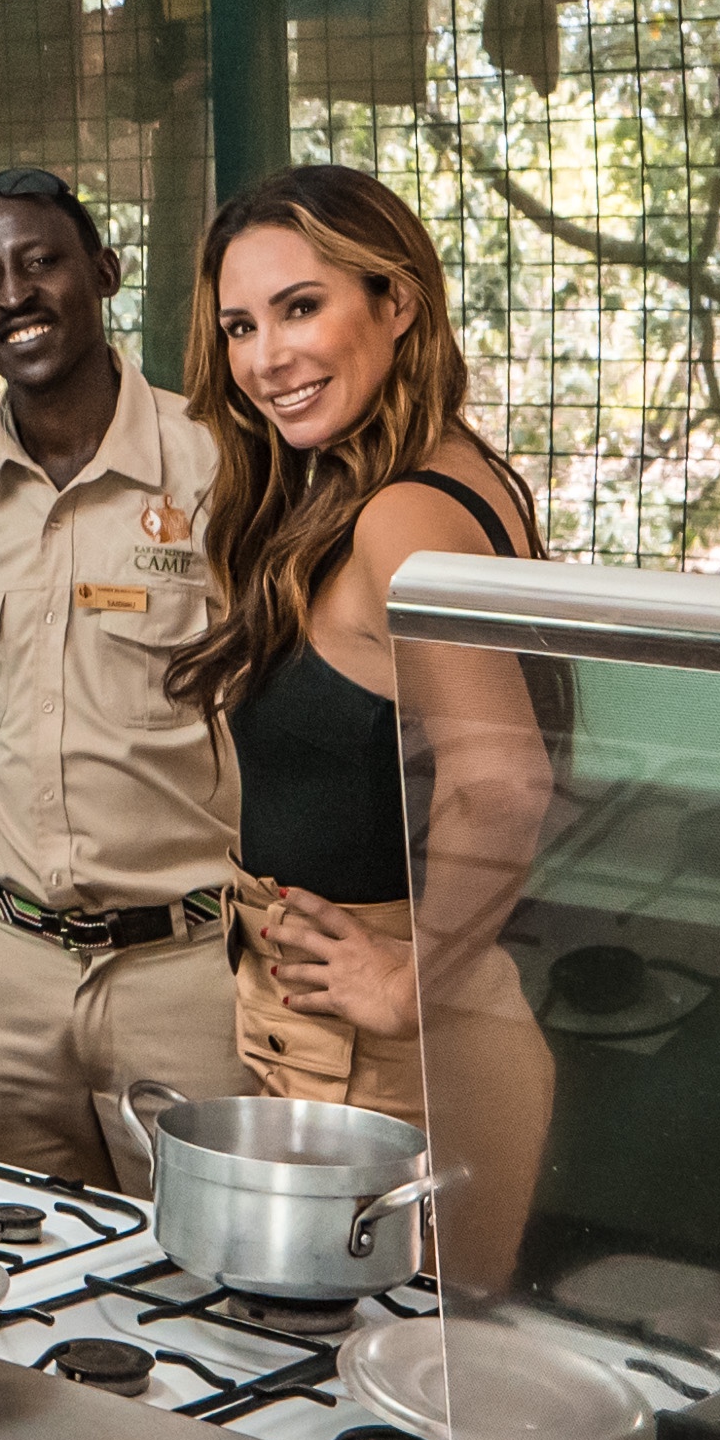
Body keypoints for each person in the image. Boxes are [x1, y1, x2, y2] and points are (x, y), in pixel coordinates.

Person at [173, 163, 554, 1286]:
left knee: (364, 1374)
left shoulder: (403, 516)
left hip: (383, 1046)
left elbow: (503, 784)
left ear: (396, 303)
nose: (265, 359)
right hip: (341, 1029)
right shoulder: (429, 479)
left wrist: (405, 984)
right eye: (240, 327)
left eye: (301, 307)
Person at [0, 167, 245, 1195]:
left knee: (208, 1268)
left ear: (104, 273)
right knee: (16, 1258)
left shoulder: (219, 465)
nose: (13, 295)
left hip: (186, 974)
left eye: (40, 262)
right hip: (7, 974)